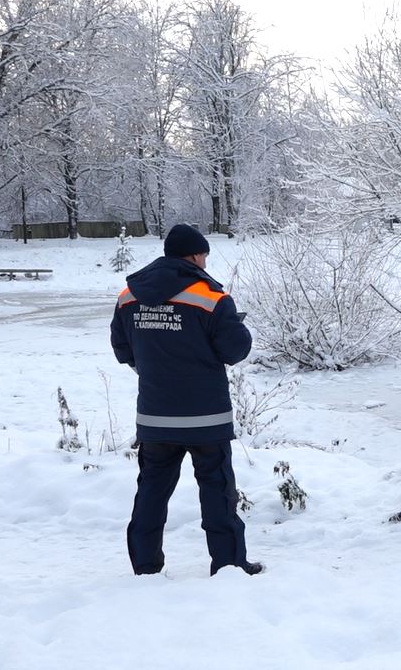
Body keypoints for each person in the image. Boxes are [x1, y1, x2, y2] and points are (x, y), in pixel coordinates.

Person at [110, 224, 263, 576]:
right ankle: (228, 564)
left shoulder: (128, 297)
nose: (206, 261)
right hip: (206, 418)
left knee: (150, 493)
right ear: (194, 255)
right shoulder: (211, 298)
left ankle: (145, 566)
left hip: (155, 416)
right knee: (217, 493)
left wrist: (154, 367)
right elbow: (235, 350)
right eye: (205, 255)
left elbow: (122, 350)